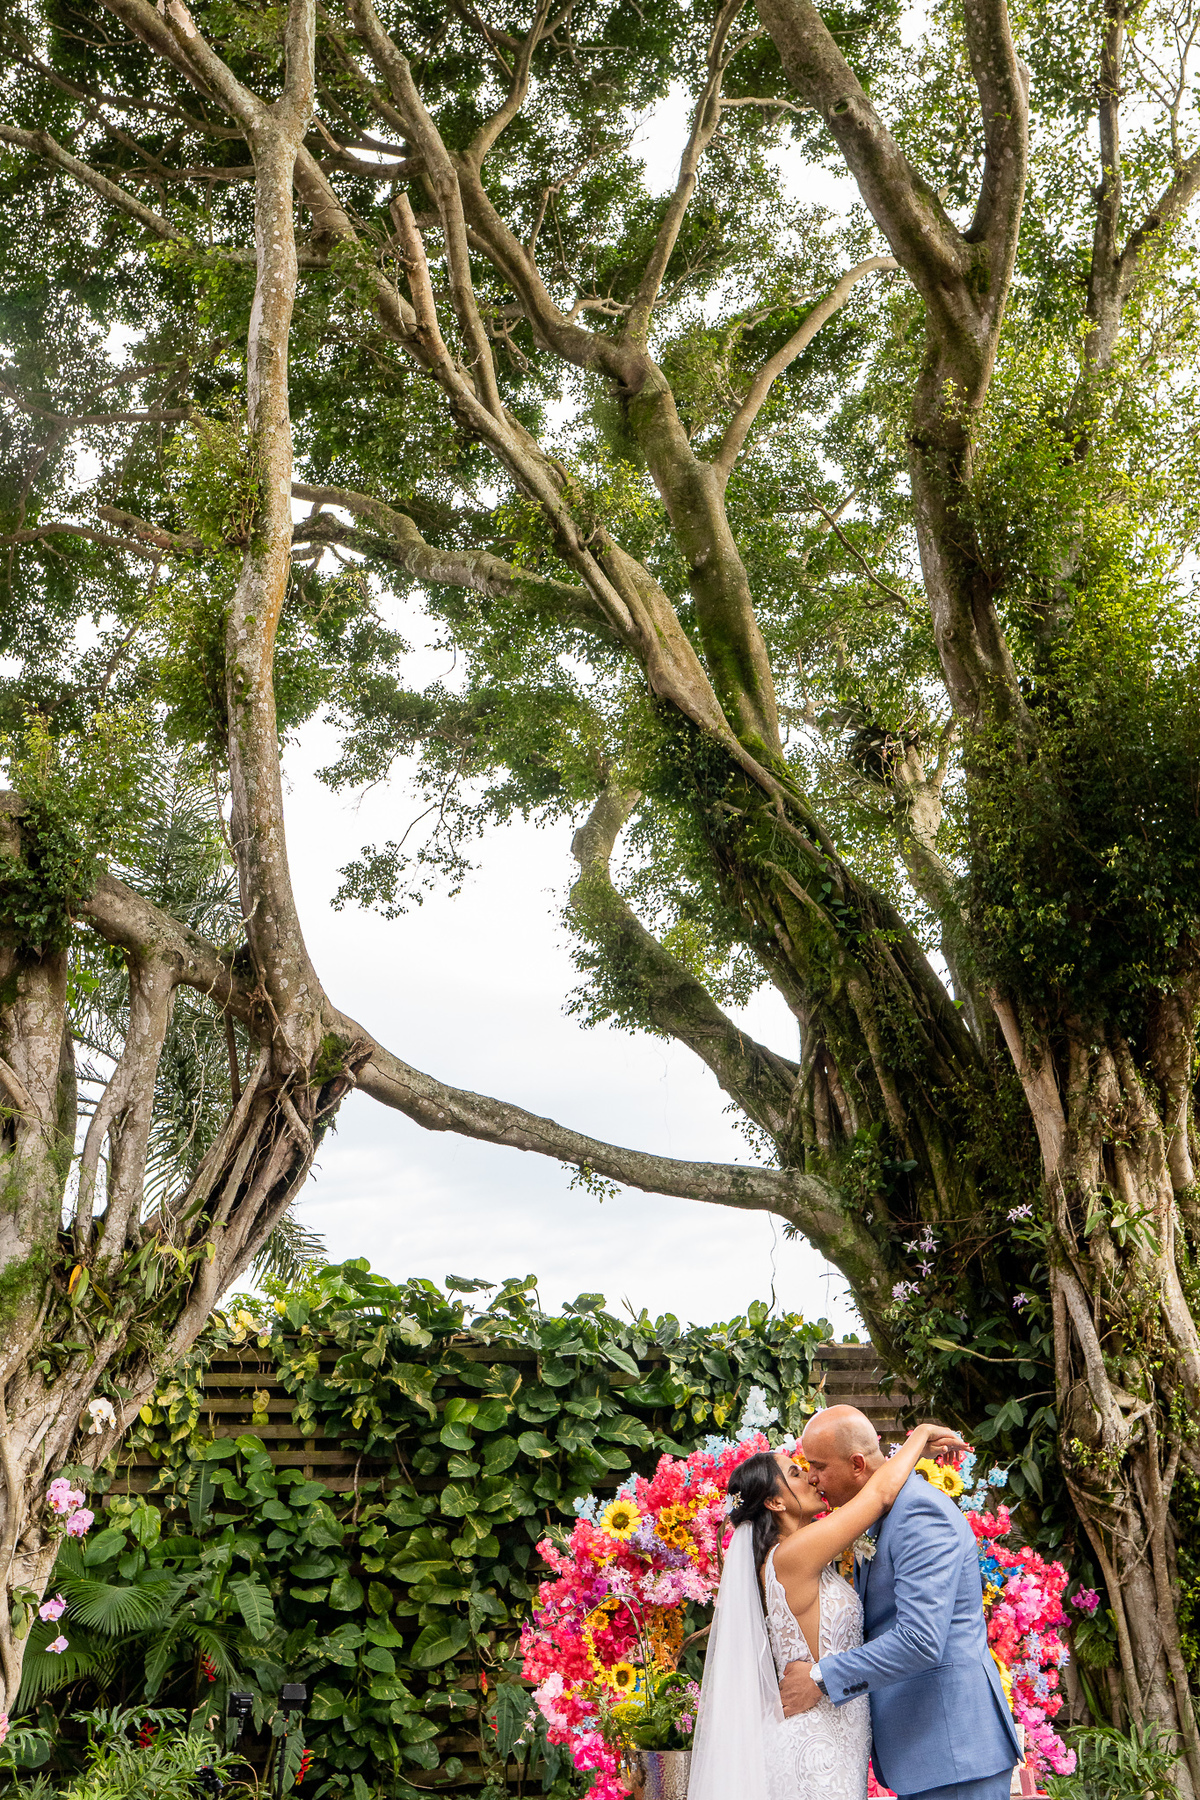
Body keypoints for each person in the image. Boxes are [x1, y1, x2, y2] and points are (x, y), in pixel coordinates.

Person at [688, 1417, 967, 1800]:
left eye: (814, 1468)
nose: (812, 1478)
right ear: (776, 1501)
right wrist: (918, 1437)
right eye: (798, 1472)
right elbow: (878, 1495)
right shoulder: (792, 1555)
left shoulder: (807, 1556)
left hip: (838, 1739)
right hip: (814, 1746)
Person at [782, 1404, 1023, 1800]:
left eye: (819, 1465)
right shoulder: (877, 1514)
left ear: (857, 1464)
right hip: (929, 1753)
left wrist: (820, 1679)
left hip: (953, 1753)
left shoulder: (918, 1514)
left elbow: (919, 1640)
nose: (812, 1477)